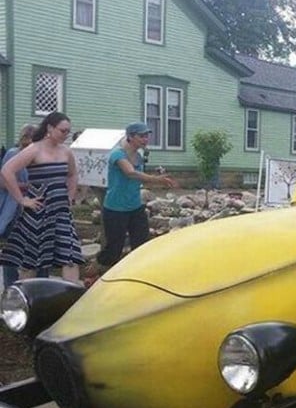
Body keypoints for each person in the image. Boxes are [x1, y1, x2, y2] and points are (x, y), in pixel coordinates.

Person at [0, 112, 84, 283]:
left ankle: (70, 298)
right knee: (31, 260)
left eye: (68, 131)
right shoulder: (34, 149)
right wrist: (22, 199)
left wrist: (70, 196)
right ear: (50, 128)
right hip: (38, 211)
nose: (65, 135)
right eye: (62, 131)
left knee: (71, 255)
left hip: (61, 210)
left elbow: (73, 174)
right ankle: (24, 298)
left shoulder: (66, 152)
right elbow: (7, 171)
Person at [92, 122, 177, 270]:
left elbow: (138, 179)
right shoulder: (117, 154)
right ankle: (95, 269)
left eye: (147, 136)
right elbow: (130, 173)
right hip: (115, 208)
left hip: (135, 206)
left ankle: (137, 272)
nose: (145, 139)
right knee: (114, 249)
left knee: (141, 244)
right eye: (141, 136)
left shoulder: (138, 156)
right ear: (130, 137)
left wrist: (160, 180)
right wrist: (157, 180)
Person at [0, 125, 50, 286]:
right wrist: (26, 186)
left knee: (41, 248)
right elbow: (3, 181)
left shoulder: (43, 155)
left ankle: (41, 285)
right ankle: (11, 286)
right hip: (15, 208)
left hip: (40, 207)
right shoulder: (14, 154)